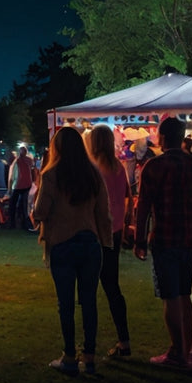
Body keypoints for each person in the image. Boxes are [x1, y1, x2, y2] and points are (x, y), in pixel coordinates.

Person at [31, 126, 112, 375]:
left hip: (62, 244)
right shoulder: (93, 174)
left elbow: (41, 211)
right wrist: (106, 243)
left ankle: (68, 356)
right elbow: (103, 214)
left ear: (58, 147)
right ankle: (88, 357)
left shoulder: (52, 174)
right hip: (90, 243)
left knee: (65, 303)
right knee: (89, 302)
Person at [133, 117, 192, 368]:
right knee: (183, 294)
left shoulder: (154, 166)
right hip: (189, 238)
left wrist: (138, 240)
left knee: (170, 296)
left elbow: (144, 207)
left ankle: (177, 352)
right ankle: (188, 349)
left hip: (165, 238)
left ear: (162, 137)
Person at [85, 124, 132, 358]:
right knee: (113, 288)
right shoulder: (119, 168)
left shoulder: (92, 169)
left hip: (94, 233)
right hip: (114, 232)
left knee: (89, 290)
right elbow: (126, 199)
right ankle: (124, 340)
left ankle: (88, 347)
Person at [8, 146, 36, 229]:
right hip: (27, 185)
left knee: (12, 205)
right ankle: (24, 224)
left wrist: (9, 188)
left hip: (17, 186)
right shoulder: (29, 160)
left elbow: (11, 176)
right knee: (24, 206)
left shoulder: (16, 161)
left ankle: (12, 223)